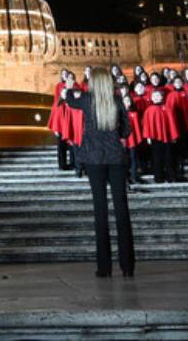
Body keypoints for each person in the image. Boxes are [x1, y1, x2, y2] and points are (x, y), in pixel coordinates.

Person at [60, 67, 135, 278]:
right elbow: (127, 130)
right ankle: (128, 266)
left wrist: (67, 87)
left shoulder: (85, 100)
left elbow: (68, 100)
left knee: (100, 211)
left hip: (94, 160)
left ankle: (104, 267)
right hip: (116, 160)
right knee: (122, 211)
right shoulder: (118, 101)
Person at [142, 88, 179, 183]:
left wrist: (173, 135)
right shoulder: (149, 110)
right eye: (154, 96)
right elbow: (147, 124)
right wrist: (148, 137)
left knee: (169, 157)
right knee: (157, 158)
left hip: (167, 137)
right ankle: (159, 178)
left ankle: (171, 177)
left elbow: (172, 123)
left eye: (158, 95)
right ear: (151, 98)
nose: (156, 97)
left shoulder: (167, 108)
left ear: (162, 97)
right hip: (155, 137)